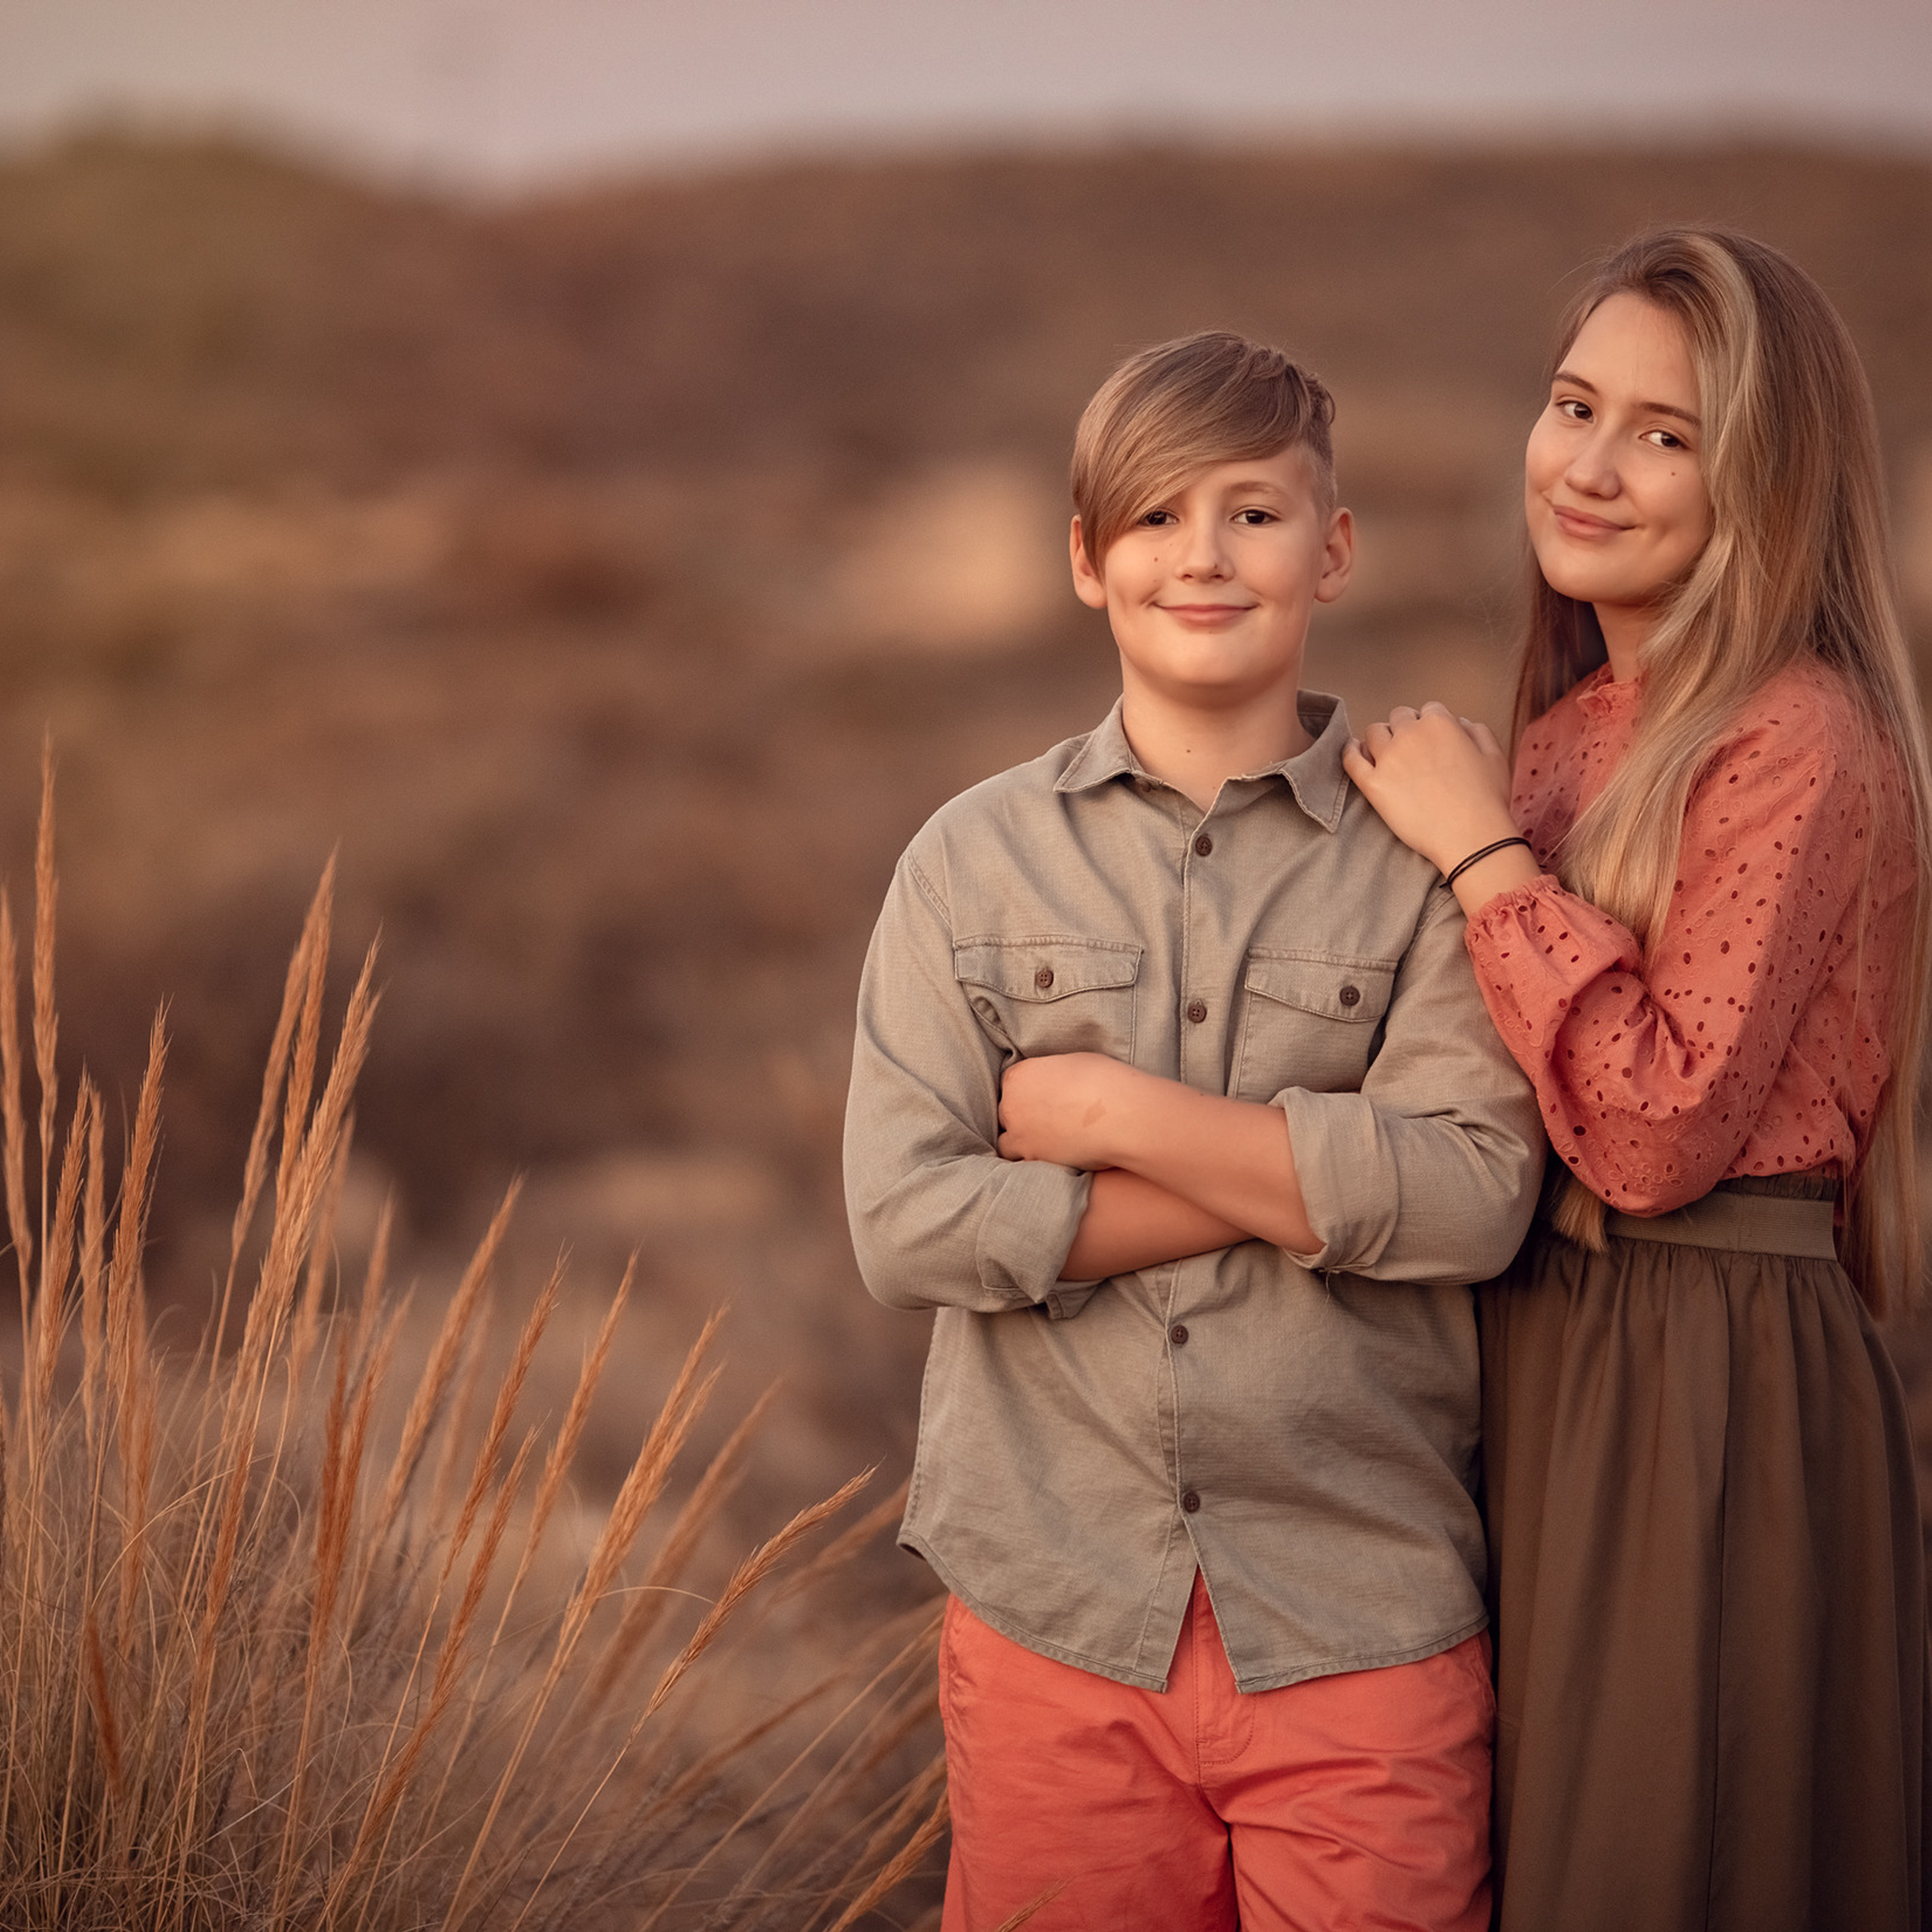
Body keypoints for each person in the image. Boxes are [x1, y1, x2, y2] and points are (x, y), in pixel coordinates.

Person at [842, 331, 1545, 1931]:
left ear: (1334, 547)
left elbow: (1476, 1192)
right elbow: (904, 1225)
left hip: (1362, 1621)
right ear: (1086, 562)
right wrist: (1296, 1169)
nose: (1203, 555)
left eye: (1252, 511)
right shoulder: (968, 863)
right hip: (1055, 1615)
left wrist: (1114, 1119)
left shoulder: (1418, 850)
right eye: (1155, 518)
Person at [1343, 227, 1932, 1932]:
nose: (1587, 465)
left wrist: (1477, 864)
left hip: (1706, 1358)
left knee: (1662, 1861)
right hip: (1539, 1344)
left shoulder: (1795, 734)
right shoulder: (1561, 732)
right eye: (1570, 403)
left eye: (1661, 432)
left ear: (1763, 472)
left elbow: (1657, 1125)